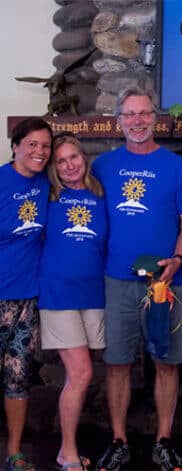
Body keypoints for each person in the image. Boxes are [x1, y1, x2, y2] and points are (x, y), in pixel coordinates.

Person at [91, 87, 182, 471]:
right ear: (119, 120)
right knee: (117, 363)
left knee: (167, 362)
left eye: (144, 114)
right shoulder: (102, 166)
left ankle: (163, 441)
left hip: (165, 281)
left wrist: (178, 258)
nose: (137, 121)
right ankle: (118, 441)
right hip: (117, 280)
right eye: (130, 114)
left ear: (156, 118)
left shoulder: (176, 167)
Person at [39, 134, 107, 471]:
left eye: (73, 158)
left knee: (79, 375)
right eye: (60, 161)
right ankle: (67, 452)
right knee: (81, 373)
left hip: (94, 295)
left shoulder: (99, 194)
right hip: (59, 295)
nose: (68, 166)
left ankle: (69, 448)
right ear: (53, 167)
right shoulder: (47, 196)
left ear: (84, 157)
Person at [0, 117, 52, 471]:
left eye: (45, 146)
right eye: (32, 144)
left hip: (26, 298)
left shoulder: (48, 183)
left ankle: (15, 451)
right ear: (15, 145)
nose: (40, 152)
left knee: (17, 376)